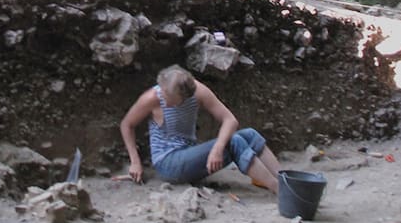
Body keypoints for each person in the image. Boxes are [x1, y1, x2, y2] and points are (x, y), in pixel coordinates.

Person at [119, 64, 281, 191]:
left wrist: (217, 149)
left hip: (188, 154)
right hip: (168, 163)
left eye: (170, 99)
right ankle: (279, 190)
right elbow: (127, 125)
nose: (164, 99)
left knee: (250, 134)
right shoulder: (152, 97)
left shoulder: (198, 91)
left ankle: (285, 180)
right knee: (234, 142)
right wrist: (135, 162)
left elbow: (230, 120)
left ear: (184, 97)